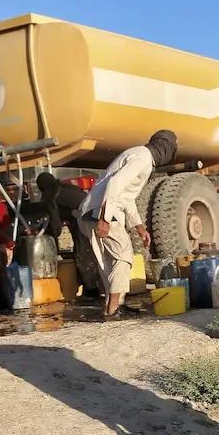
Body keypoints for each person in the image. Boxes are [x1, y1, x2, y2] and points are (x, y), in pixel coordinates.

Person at [76, 130, 178, 319]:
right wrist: (105, 219)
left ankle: (112, 306)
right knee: (124, 256)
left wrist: (139, 226)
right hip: (101, 212)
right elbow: (115, 184)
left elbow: (126, 196)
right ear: (164, 148)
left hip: (91, 210)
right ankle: (113, 309)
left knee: (109, 263)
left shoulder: (139, 155)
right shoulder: (143, 159)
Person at [36, 172, 87, 241]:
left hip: (83, 221)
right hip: (94, 214)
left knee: (82, 249)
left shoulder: (50, 195)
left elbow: (56, 227)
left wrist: (39, 233)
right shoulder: (67, 187)